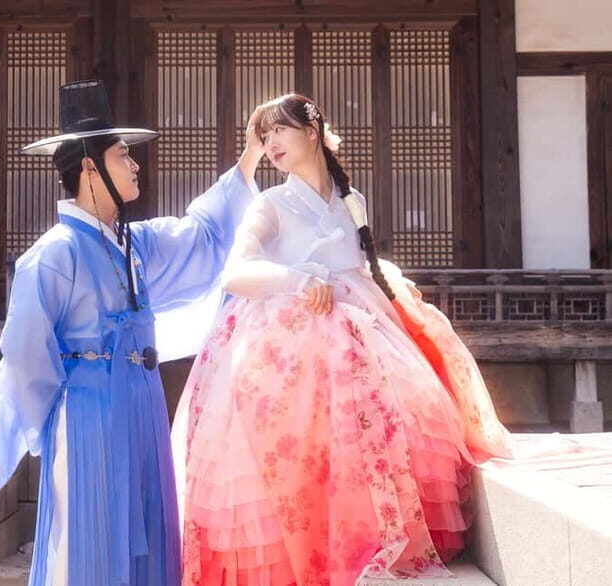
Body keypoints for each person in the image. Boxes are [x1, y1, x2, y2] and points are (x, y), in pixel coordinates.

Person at [172, 93, 518, 585]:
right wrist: (298, 279)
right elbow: (236, 273)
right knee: (300, 444)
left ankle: (371, 540)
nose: (271, 143)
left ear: (312, 132)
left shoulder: (352, 201)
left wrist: (390, 288)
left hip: (362, 322)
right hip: (293, 336)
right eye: (264, 136)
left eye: (280, 131)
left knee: (393, 421)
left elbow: (358, 262)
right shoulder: (270, 205)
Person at [0, 79, 262, 586]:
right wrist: (57, 421)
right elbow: (25, 355)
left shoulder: (135, 244)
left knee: (150, 526)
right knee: (90, 536)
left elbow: (203, 234)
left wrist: (250, 156)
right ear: (89, 168)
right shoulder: (53, 253)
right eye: (122, 156)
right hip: (86, 411)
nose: (134, 166)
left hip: (143, 403)